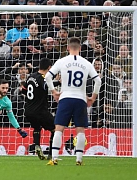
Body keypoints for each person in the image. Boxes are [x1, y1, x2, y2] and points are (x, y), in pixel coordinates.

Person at [45, 37, 101, 165]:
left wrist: (54, 92)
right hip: (80, 99)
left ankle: (54, 159)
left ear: (68, 48)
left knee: (59, 128)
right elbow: (98, 81)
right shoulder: (87, 63)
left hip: (65, 98)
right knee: (80, 130)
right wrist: (92, 97)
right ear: (80, 49)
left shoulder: (62, 61)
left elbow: (48, 76)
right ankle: (79, 159)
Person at [22, 58, 55, 160]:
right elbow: (46, 86)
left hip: (28, 111)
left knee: (37, 128)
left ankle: (37, 145)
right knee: (55, 129)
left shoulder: (31, 76)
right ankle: (51, 153)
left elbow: (23, 90)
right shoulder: (43, 78)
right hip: (40, 111)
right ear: (49, 68)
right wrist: (59, 82)